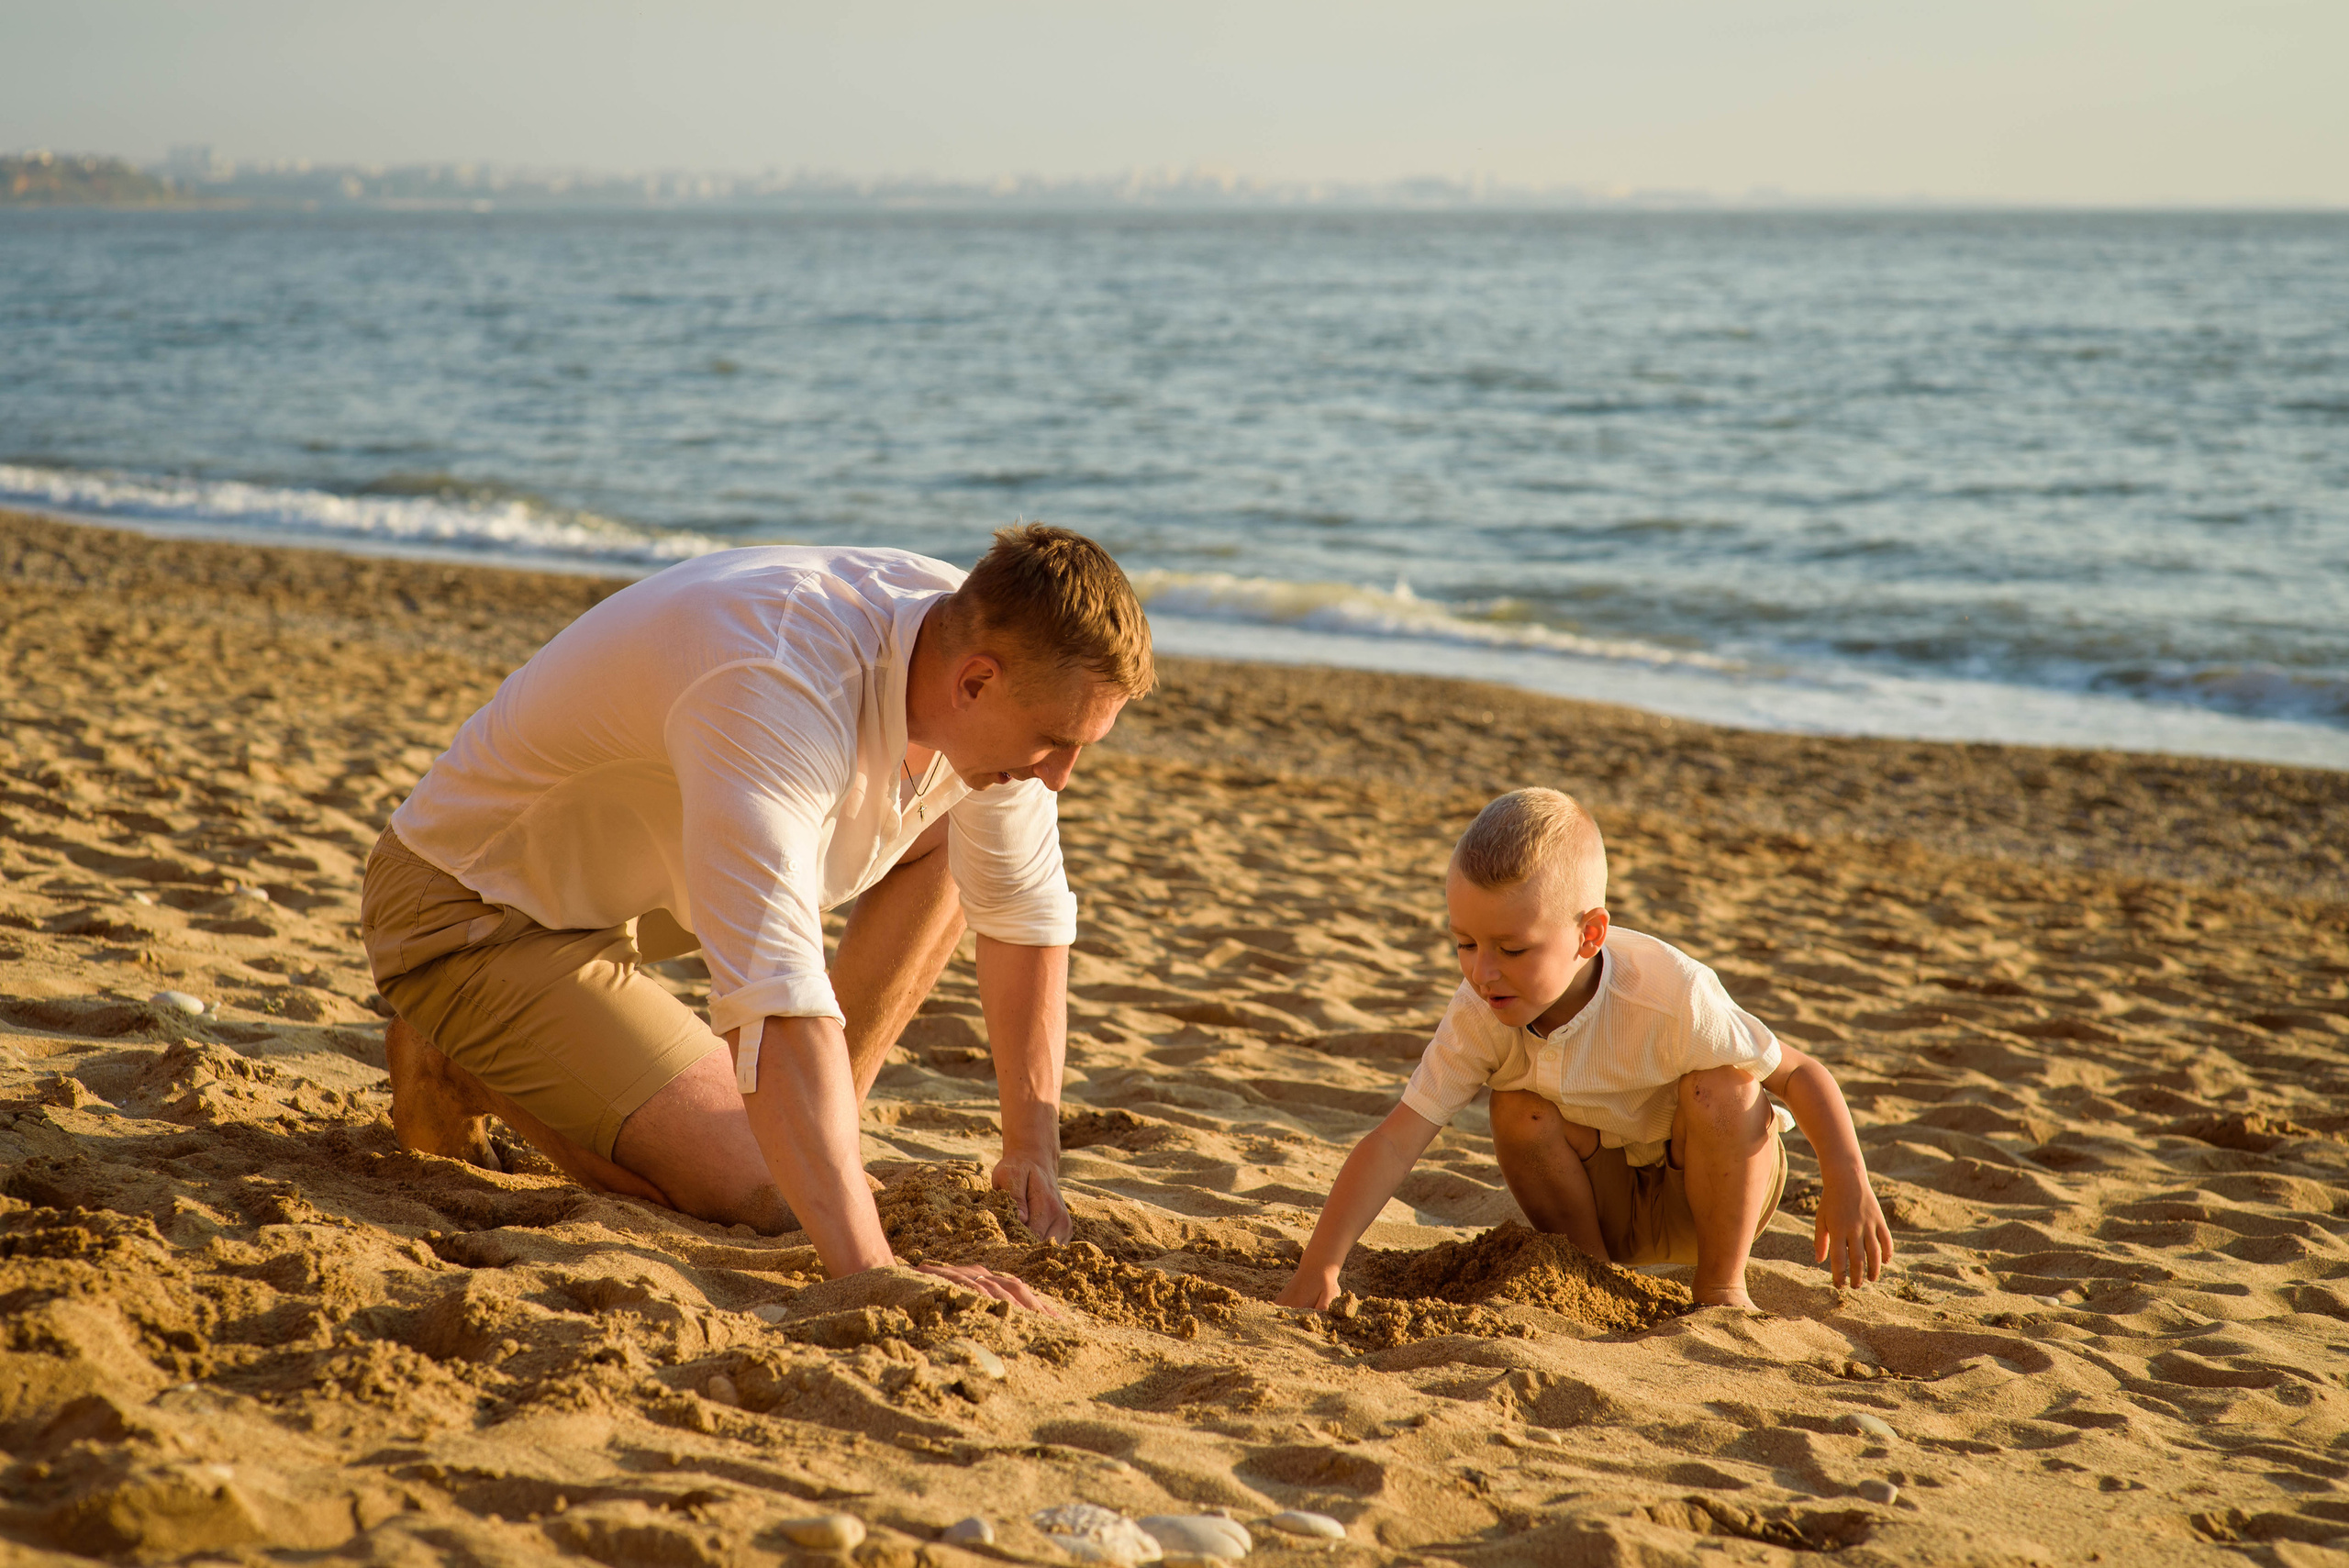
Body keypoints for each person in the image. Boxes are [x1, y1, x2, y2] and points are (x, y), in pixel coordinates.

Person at [359, 525, 1152, 1308]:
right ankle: (455, 1057)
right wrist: (873, 1269)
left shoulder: (967, 632)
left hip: (638, 886)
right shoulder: (776, 678)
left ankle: (801, 1127)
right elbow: (774, 1003)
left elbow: (1021, 911)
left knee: (959, 832)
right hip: (475, 909)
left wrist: (1032, 1152)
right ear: (975, 682)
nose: (1061, 778)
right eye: (1056, 742)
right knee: (773, 1192)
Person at [1276, 787, 1890, 1312]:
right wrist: (1322, 1264)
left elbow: (1798, 1070)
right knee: (1515, 1106)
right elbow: (1395, 1139)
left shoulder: (1670, 990)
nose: (1483, 972)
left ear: (1589, 935)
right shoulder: (1480, 1014)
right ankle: (1590, 1275)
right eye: (1464, 943)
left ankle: (1722, 1287)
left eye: (1511, 950)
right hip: (1600, 1206)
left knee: (1726, 1084)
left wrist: (1845, 1173)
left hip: (1712, 1190)